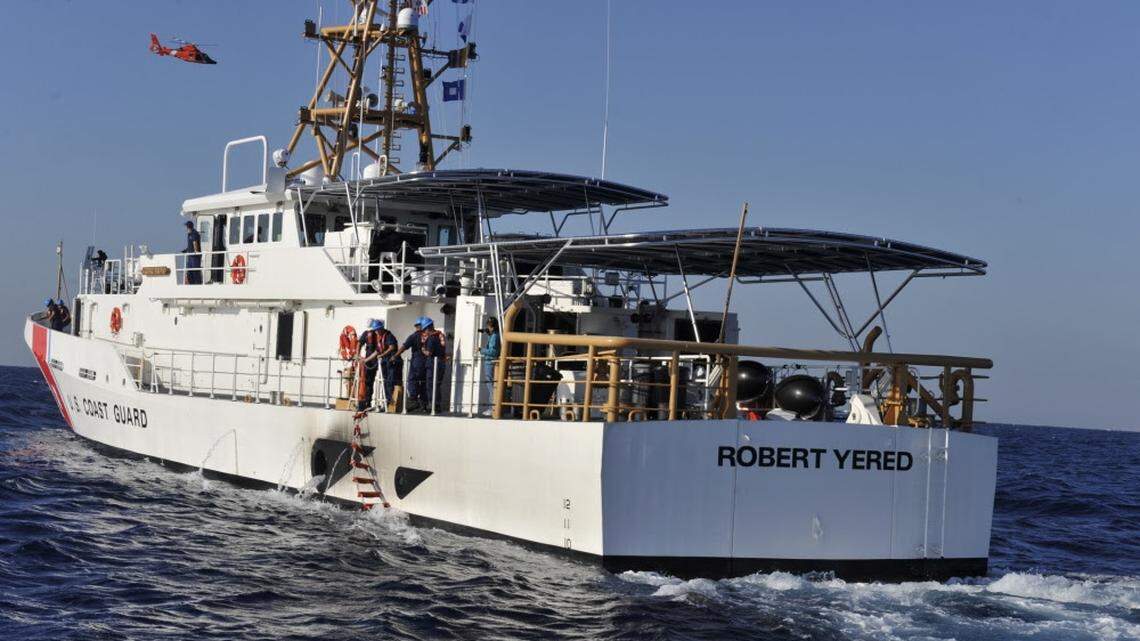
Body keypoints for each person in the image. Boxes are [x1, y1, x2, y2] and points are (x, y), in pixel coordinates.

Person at [392, 319, 425, 410]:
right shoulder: (429, 336)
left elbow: (404, 347)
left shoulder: (414, 336)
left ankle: (414, 401)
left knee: (412, 379)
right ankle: (424, 404)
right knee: (424, 382)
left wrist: (395, 356)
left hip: (417, 361)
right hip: (428, 362)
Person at [419, 317, 447, 413]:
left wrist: (423, 350)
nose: (424, 331)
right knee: (437, 385)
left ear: (428, 328)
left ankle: (433, 405)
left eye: (424, 329)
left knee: (431, 385)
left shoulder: (431, 338)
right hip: (441, 363)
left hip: (432, 364)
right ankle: (437, 405)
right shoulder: (440, 335)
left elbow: (429, 353)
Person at [374, 320, 401, 407]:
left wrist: (382, 354)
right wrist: (366, 360)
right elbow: (377, 351)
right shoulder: (379, 338)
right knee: (385, 381)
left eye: (378, 329)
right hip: (384, 362)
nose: (377, 331)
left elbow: (392, 347)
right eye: (375, 330)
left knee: (391, 381)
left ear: (382, 328)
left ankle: (391, 402)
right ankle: (387, 401)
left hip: (391, 361)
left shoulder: (389, 336)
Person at [357, 319, 381, 411]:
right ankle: (366, 402)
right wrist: (358, 355)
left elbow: (359, 343)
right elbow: (359, 343)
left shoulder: (367, 334)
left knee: (368, 382)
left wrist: (358, 356)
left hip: (370, 360)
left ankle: (367, 402)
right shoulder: (376, 334)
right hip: (370, 361)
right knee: (367, 382)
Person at [479, 317, 501, 415]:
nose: (489, 328)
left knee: (491, 386)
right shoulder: (494, 335)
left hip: (490, 362)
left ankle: (492, 408)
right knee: (491, 386)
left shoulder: (495, 336)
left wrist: (481, 350)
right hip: (489, 362)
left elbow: (493, 351)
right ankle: (491, 407)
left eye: (489, 326)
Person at [183, 221, 202, 285]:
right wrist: (186, 250)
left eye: (186, 227)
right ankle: (192, 283)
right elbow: (191, 245)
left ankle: (197, 284)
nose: (186, 228)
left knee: (195, 271)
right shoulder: (189, 234)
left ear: (189, 227)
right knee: (190, 271)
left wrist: (196, 251)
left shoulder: (194, 233)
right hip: (190, 256)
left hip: (194, 256)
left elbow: (195, 243)